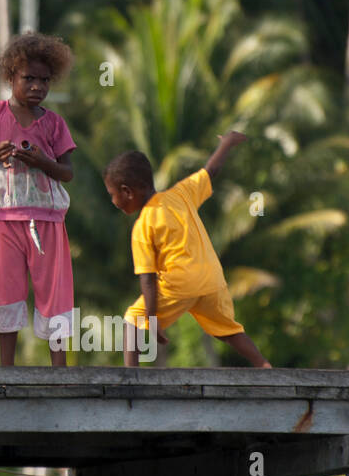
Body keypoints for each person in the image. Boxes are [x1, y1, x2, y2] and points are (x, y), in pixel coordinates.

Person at [102, 132, 271, 367]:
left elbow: (148, 280)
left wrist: (152, 321)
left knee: (132, 320)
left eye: (112, 195)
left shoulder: (142, 227)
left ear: (127, 192)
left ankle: (131, 380)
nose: (113, 201)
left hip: (180, 283)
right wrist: (226, 144)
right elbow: (210, 172)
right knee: (227, 330)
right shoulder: (181, 194)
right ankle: (263, 365)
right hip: (212, 279)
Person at [0, 32, 77, 366]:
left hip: (48, 220)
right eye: (28, 78)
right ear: (10, 76)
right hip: (7, 219)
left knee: (53, 291)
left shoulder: (54, 123)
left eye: (44, 81)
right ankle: (6, 367)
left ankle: (59, 366)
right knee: (6, 289)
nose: (37, 87)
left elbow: (67, 172)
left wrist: (43, 161)